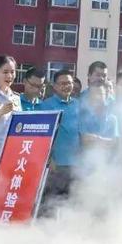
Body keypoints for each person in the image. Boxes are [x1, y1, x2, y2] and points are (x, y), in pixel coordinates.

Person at [39, 70, 81, 216]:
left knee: (71, 204)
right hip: (56, 165)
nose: (66, 86)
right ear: (54, 86)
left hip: (75, 164)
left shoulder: (78, 105)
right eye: (62, 83)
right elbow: (42, 137)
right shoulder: (45, 106)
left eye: (69, 83)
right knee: (50, 204)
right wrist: (49, 159)